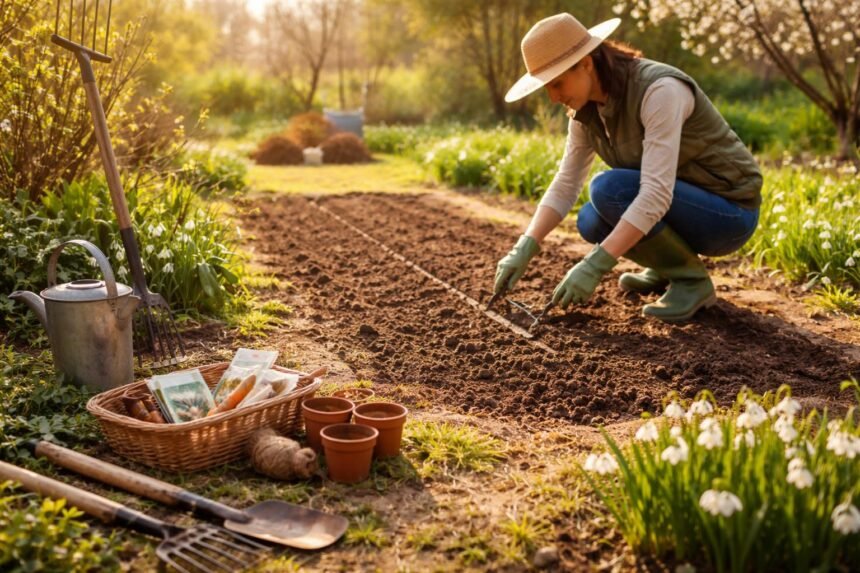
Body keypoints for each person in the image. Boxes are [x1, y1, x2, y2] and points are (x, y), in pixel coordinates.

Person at [494, 13, 761, 322]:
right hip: (683, 205)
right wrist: (526, 245)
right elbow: (567, 182)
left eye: (557, 83)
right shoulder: (585, 111)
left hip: (729, 213)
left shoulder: (659, 90)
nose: (553, 97)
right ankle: (668, 267)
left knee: (609, 190)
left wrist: (595, 264)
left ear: (586, 63)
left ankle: (692, 281)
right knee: (590, 220)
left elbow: (656, 194)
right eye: (546, 88)